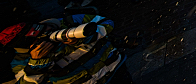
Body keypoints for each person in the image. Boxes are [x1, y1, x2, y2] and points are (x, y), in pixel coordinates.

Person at [2, 13, 134, 84]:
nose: (48, 31)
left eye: (43, 28)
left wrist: (85, 37)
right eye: (40, 37)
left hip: (115, 70)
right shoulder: (20, 62)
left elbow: (106, 23)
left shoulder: (68, 22)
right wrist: (37, 63)